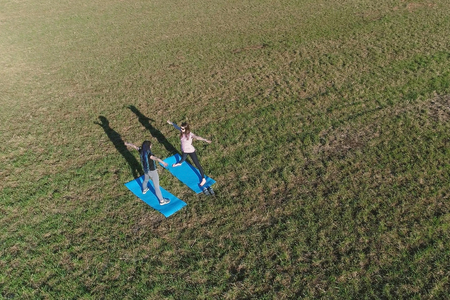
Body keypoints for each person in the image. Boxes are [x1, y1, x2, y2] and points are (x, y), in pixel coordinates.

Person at [125, 140, 170, 205]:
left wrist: (128, 143)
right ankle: (162, 201)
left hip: (146, 170)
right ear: (148, 147)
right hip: (153, 172)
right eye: (150, 145)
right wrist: (163, 163)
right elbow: (156, 158)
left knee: (146, 180)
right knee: (156, 187)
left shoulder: (141, 151)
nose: (151, 146)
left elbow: (135, 147)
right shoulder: (149, 154)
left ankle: (144, 189)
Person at [167, 120, 211, 186]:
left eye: (182, 128)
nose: (181, 129)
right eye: (181, 128)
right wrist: (171, 123)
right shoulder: (182, 131)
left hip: (191, 151)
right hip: (184, 150)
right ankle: (179, 163)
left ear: (186, 129)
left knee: (197, 164)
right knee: (183, 158)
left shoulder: (190, 134)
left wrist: (205, 140)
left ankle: (203, 179)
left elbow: (197, 137)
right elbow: (176, 127)